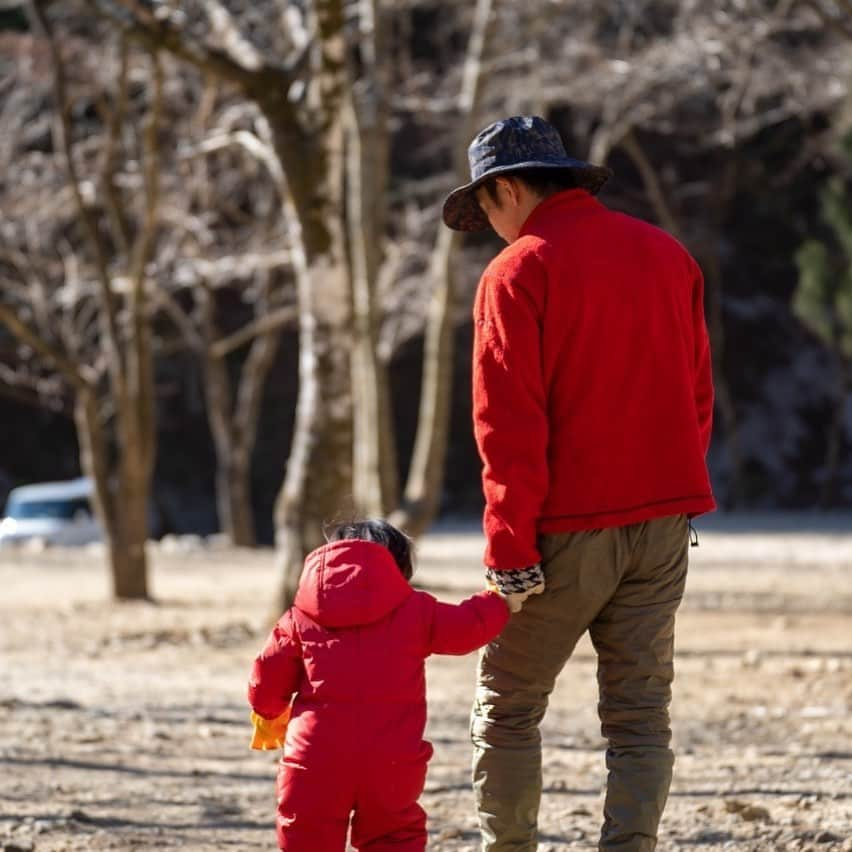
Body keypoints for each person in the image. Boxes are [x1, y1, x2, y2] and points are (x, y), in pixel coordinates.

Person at [442, 116, 715, 851]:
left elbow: (508, 429)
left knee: (507, 708)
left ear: (505, 188)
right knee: (640, 716)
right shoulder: (668, 255)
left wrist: (508, 548)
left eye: (487, 211)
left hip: (563, 531)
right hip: (665, 525)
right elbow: (697, 397)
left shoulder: (518, 272)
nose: (491, 230)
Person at [247, 518, 511, 851]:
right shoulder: (416, 610)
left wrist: (268, 714)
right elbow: (467, 628)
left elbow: (267, 677)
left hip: (314, 759)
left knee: (307, 836)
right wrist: (498, 599)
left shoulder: (299, 617)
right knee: (393, 835)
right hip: (392, 760)